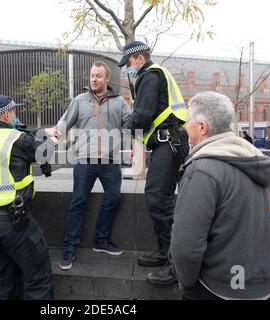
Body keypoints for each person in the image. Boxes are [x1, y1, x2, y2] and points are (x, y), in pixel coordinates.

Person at [170, 91, 270, 300]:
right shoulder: (255, 159)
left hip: (218, 289)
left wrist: (187, 282)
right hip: (262, 286)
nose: (185, 126)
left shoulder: (202, 170)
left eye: (188, 121)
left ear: (202, 127)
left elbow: (186, 246)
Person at [0, 95, 57, 300]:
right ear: (7, 114)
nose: (16, 115)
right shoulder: (15, 138)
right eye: (14, 112)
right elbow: (42, 154)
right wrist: (52, 140)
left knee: (3, 280)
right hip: (15, 223)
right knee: (38, 279)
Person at [119, 41, 189, 285]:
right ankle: (164, 252)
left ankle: (175, 264)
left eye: (128, 64)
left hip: (169, 142)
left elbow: (142, 115)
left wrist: (126, 126)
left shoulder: (149, 75)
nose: (127, 70)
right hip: (168, 142)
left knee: (158, 199)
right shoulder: (156, 74)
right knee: (159, 199)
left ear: (139, 59)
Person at [56, 61, 132, 270]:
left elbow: (131, 124)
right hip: (84, 160)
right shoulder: (80, 100)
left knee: (114, 199)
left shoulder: (119, 102)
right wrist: (55, 132)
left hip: (111, 162)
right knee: (78, 203)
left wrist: (140, 116)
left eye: (98, 76)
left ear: (107, 79)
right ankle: (70, 247)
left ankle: (101, 240)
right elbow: (64, 123)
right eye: (91, 75)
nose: (94, 79)